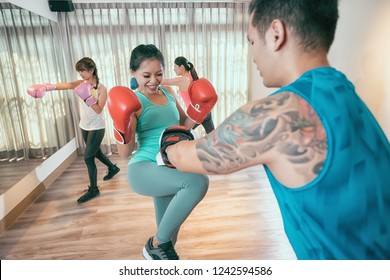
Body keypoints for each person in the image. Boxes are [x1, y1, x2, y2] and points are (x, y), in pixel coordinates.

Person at [161, 0, 390, 260]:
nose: (254, 55)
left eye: (252, 42)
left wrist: (169, 141)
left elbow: (186, 157)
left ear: (276, 34)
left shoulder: (281, 114)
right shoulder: (346, 92)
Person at [106, 44, 217, 260]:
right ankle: (153, 245)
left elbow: (184, 125)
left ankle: (158, 250)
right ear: (133, 73)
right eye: (146, 75)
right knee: (197, 182)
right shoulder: (134, 102)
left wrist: (199, 109)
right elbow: (124, 153)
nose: (154, 80)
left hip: (169, 163)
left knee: (168, 239)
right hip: (144, 167)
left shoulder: (168, 92)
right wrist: (120, 125)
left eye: (158, 74)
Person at [27, 57, 121, 204]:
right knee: (96, 152)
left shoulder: (101, 88)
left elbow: (98, 110)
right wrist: (47, 86)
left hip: (97, 127)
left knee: (88, 157)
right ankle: (112, 168)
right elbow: (64, 85)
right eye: (79, 71)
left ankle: (94, 189)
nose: (81, 74)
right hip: (84, 125)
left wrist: (87, 97)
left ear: (91, 70)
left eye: (83, 70)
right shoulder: (79, 84)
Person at [161, 56, 215, 134]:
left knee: (182, 133)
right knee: (213, 136)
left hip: (197, 114)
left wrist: (150, 79)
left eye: (175, 67)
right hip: (205, 112)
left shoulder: (183, 79)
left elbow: (166, 82)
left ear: (182, 67)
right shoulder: (192, 76)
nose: (174, 69)